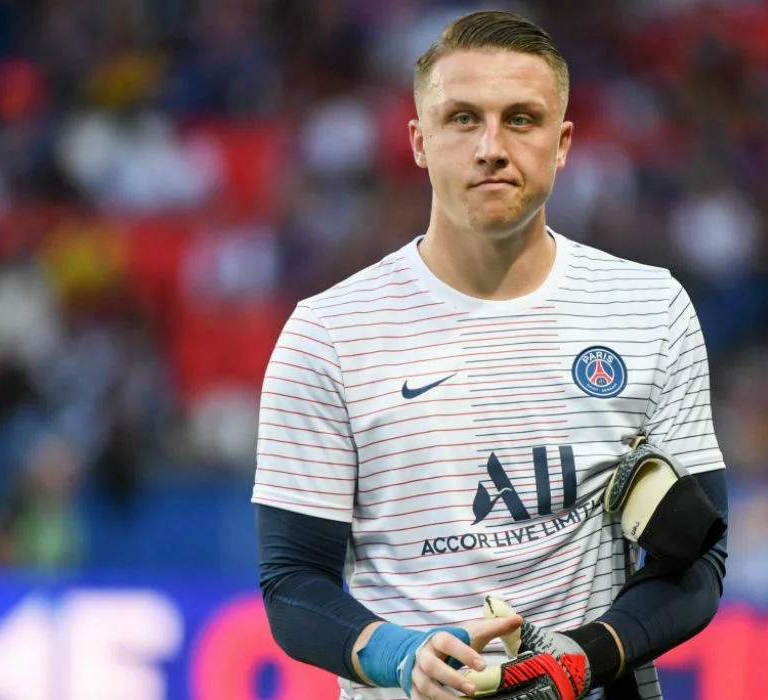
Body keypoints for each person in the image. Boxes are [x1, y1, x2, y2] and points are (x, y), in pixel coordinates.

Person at [252, 10, 729, 700]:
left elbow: (700, 562)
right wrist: (404, 657)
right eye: (463, 119)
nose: (491, 148)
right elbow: (293, 584)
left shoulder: (649, 308)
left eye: (522, 120)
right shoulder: (328, 334)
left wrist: (582, 658)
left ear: (563, 143)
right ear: (419, 142)